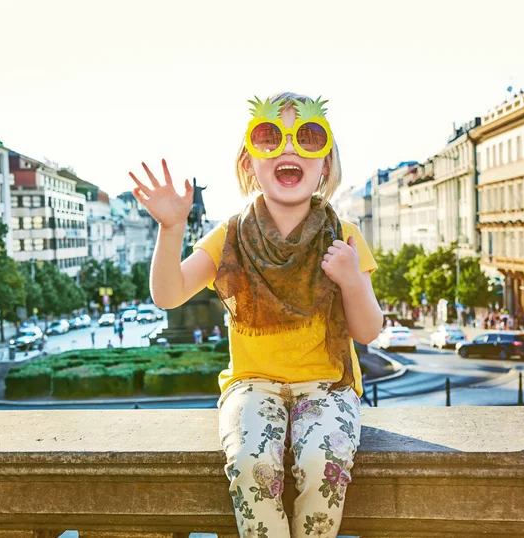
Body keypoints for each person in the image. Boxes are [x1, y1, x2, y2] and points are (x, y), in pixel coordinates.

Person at [129, 92, 383, 538]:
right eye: (269, 137)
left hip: (328, 384)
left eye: (307, 137)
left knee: (323, 459)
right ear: (249, 162)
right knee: (249, 460)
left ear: (326, 164)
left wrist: (351, 280)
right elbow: (169, 296)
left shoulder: (344, 235)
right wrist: (171, 229)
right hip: (252, 384)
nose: (288, 149)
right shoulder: (229, 235)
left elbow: (368, 329)